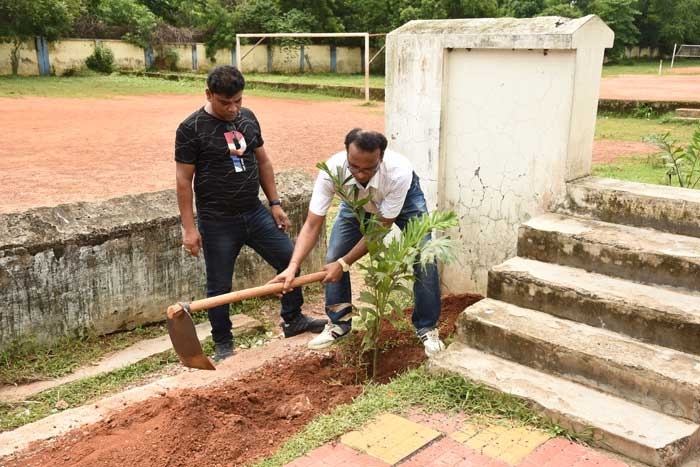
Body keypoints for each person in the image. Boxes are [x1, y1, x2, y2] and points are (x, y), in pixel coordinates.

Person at [174, 65, 326, 361]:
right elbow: (183, 181)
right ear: (209, 94)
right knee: (219, 285)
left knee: (288, 258)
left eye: (238, 101)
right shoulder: (190, 128)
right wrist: (189, 229)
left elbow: (264, 163)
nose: (233, 108)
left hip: (254, 213)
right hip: (217, 220)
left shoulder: (248, 118)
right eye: (225, 102)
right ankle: (223, 343)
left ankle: (293, 319)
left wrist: (275, 203)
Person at [272, 128, 445, 357]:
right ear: (346, 155)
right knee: (333, 254)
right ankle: (339, 323)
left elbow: (380, 227)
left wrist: (344, 264)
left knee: (424, 255)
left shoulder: (398, 172)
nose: (360, 174)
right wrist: (293, 266)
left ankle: (426, 326)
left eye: (368, 169)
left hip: (404, 202)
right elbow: (313, 224)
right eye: (354, 167)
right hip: (356, 204)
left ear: (380, 158)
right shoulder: (332, 171)